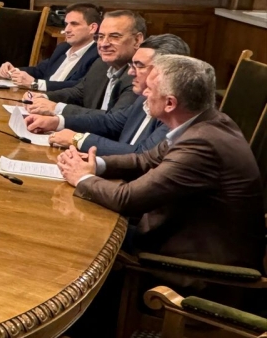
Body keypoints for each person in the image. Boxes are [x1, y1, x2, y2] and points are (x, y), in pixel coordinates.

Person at [59, 54, 264, 269]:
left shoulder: (202, 144)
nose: (144, 94)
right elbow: (144, 160)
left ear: (170, 103)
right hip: (170, 235)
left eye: (150, 89)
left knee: (73, 238)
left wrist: (81, 177)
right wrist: (95, 164)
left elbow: (127, 199)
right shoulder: (204, 121)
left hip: (192, 266)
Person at [46, 34, 188, 155]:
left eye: (139, 65)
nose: (131, 72)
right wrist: (58, 121)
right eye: (132, 65)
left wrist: (78, 139)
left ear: (166, 70)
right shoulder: (142, 98)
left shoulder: (176, 109)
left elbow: (142, 155)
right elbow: (111, 122)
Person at [23, 10, 144, 132]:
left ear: (137, 40)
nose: (104, 44)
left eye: (114, 36)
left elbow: (113, 121)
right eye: (101, 37)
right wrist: (43, 97)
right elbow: (79, 92)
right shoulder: (101, 64)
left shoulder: (139, 75)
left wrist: (57, 108)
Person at [0, 3, 101, 92]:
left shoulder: (98, 55)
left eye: (74, 24)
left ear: (92, 28)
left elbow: (79, 86)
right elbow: (39, 71)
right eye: (66, 24)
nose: (67, 29)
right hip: (37, 99)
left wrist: (35, 84)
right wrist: (13, 71)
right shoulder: (62, 48)